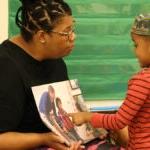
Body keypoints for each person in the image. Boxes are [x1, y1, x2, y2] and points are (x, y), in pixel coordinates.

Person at [0, 0, 82, 149]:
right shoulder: (6, 68)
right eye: (67, 32)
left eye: (73, 29)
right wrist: (43, 139)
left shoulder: (53, 57)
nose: (73, 37)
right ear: (42, 36)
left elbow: (66, 110)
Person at [69, 13, 150, 150]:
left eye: (136, 45)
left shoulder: (142, 81)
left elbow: (118, 121)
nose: (134, 50)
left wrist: (86, 116)